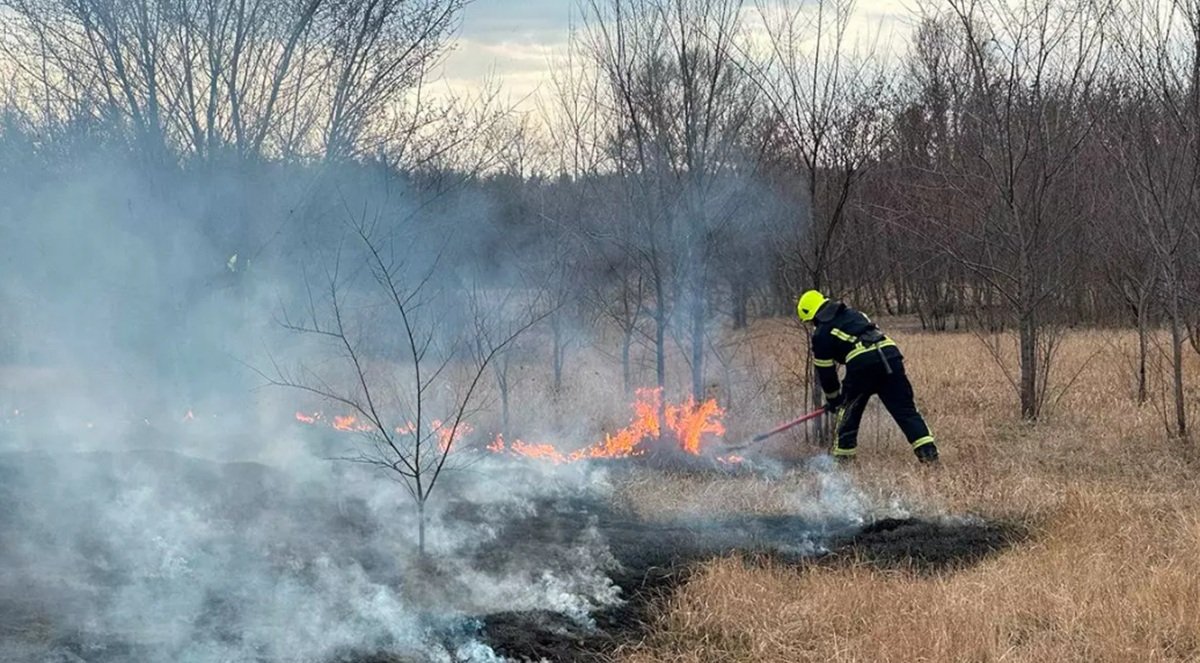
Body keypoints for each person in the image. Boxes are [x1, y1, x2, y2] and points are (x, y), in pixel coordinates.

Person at [796, 290, 939, 464]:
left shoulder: (821, 333)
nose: (812, 324)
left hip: (862, 365)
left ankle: (843, 462)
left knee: (848, 413)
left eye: (811, 321)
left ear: (813, 316)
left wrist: (834, 399)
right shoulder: (855, 314)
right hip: (890, 357)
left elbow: (826, 373)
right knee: (905, 411)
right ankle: (930, 456)